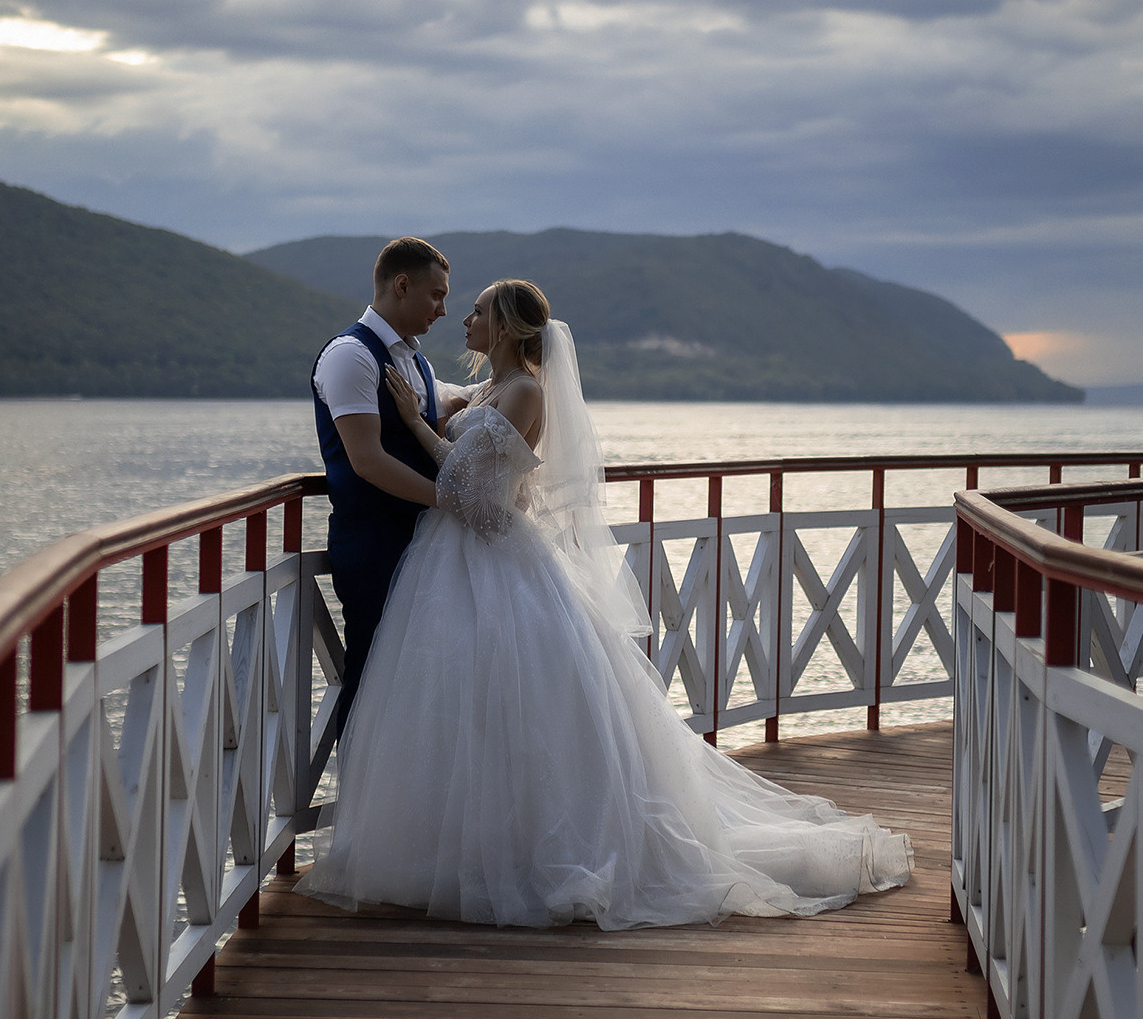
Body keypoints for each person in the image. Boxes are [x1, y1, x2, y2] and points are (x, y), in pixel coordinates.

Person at [303, 278, 914, 929]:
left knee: (523, 705)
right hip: (454, 562)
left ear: (504, 326)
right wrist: (433, 413)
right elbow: (478, 460)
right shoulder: (484, 389)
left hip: (495, 559)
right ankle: (458, 842)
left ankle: (536, 848)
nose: (464, 318)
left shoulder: (526, 391)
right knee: (461, 704)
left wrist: (416, 425)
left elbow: (476, 499)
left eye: (477, 310)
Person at [310, 238, 476, 711]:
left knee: (420, 685)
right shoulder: (350, 355)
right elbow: (368, 460)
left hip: (425, 543)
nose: (444, 309)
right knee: (372, 677)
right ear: (402, 285)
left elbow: (443, 413)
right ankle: (358, 787)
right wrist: (451, 501)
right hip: (374, 545)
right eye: (437, 294)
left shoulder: (418, 361)